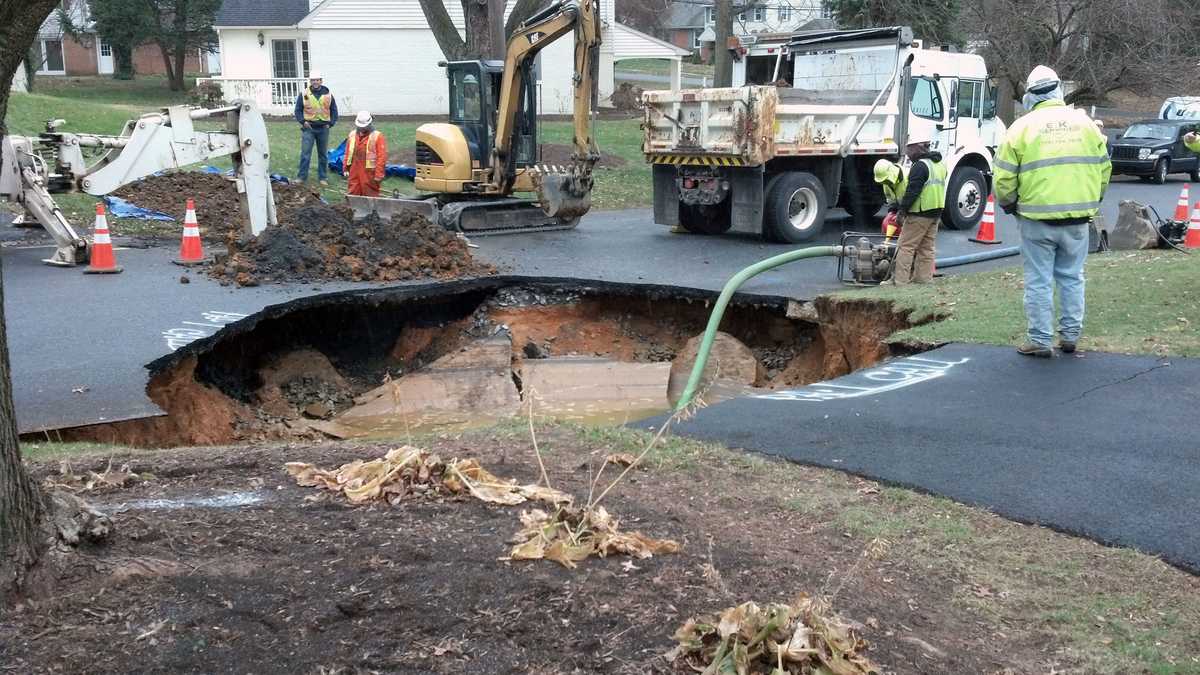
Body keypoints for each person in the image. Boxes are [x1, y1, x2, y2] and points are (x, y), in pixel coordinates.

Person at [994, 65, 1111, 358]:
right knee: (1072, 276)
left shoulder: (1021, 128)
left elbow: (1004, 177)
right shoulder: (1085, 125)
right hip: (1077, 219)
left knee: (1039, 279)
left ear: (1031, 95)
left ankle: (1040, 339)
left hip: (1036, 219)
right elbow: (1104, 169)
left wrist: (1009, 204)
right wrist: (1091, 200)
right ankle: (1070, 336)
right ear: (1059, 89)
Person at [892, 131, 946, 284]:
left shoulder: (920, 167)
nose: (907, 153)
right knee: (926, 248)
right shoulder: (939, 164)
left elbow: (912, 191)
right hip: (936, 213)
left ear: (919, 147)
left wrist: (902, 212)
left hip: (919, 213)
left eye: (909, 148)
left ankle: (900, 282)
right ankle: (923, 280)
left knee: (906, 247)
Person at [294, 71, 339, 186]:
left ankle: (323, 177)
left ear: (321, 81)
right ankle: (301, 177)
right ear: (310, 81)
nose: (315, 82)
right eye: (313, 80)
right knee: (305, 153)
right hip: (309, 128)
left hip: (323, 128)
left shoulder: (328, 94)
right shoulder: (304, 94)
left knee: (323, 154)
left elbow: (334, 110)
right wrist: (303, 122)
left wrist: (331, 123)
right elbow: (298, 110)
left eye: (317, 80)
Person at [344, 111, 388, 197]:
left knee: (370, 193)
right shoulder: (352, 135)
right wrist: (345, 168)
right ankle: (353, 209)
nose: (362, 129)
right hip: (354, 169)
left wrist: (378, 174)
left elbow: (381, 157)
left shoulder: (377, 136)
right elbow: (348, 152)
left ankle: (372, 210)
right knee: (353, 191)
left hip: (370, 172)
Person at [873, 158, 907, 238]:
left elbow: (913, 199)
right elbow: (891, 200)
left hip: (914, 211)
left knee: (908, 242)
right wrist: (892, 212)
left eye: (886, 181)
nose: (885, 183)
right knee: (887, 222)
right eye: (883, 181)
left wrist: (902, 213)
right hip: (903, 209)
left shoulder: (908, 176)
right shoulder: (886, 182)